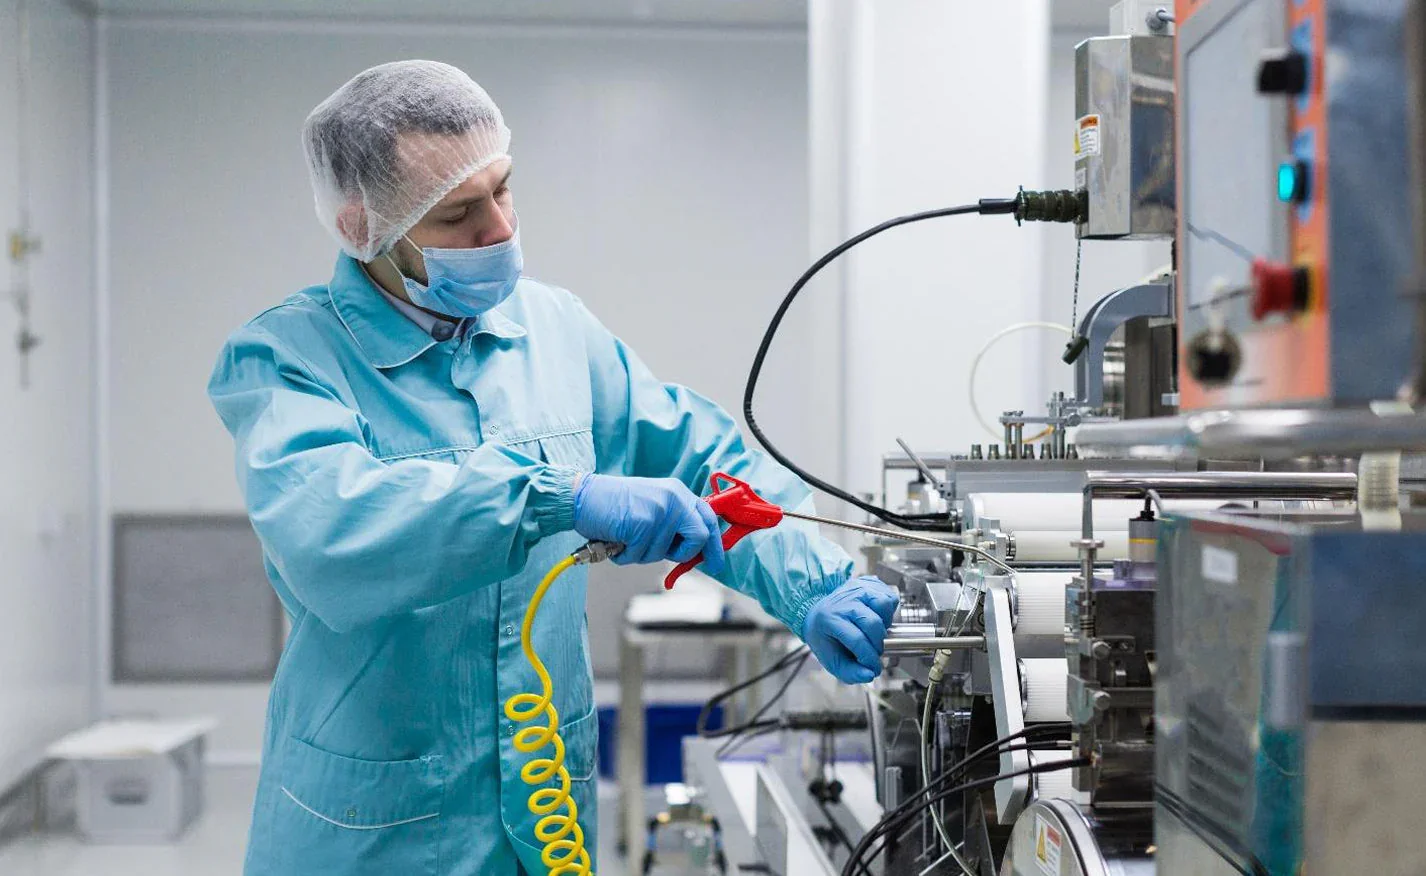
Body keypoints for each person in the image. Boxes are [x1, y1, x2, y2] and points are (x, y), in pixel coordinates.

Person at [208, 59, 899, 876]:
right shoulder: (288, 357)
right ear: (366, 228)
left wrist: (815, 585)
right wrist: (556, 498)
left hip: (543, 819)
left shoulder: (554, 330)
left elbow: (706, 460)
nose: (498, 229)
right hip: (374, 827)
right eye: (460, 212)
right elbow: (333, 532)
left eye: (504, 190)